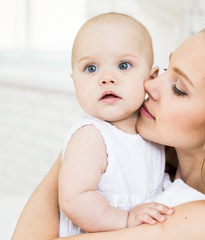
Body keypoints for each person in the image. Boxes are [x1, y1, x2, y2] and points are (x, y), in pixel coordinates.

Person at [12, 21, 205, 240]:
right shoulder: (157, 166)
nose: (150, 86)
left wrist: (88, 134)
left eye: (178, 89)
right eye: (164, 70)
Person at [57, 13, 172, 237]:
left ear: (152, 77)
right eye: (91, 68)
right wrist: (125, 219)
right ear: (75, 82)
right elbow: (74, 199)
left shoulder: (152, 130)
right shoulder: (91, 136)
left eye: (124, 65)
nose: (107, 78)